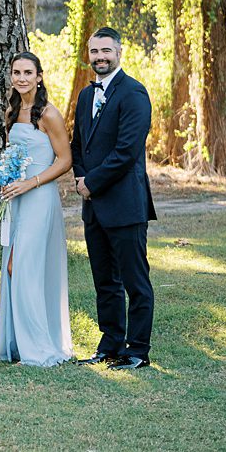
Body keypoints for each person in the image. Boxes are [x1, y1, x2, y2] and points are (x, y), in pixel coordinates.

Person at [71, 26, 156, 370]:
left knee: (135, 282)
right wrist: (79, 175)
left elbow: (126, 151)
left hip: (125, 205)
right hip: (93, 209)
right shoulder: (86, 96)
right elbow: (79, 144)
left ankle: (137, 350)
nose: (100, 58)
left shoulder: (134, 93)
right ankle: (109, 345)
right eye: (94, 52)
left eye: (106, 51)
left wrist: (92, 182)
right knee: (105, 282)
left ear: (119, 52)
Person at [0, 52, 74, 367]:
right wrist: (9, 178)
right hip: (17, 198)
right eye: (16, 72)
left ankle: (38, 347)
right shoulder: (13, 111)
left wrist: (31, 183)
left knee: (26, 266)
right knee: (12, 266)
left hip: (39, 198)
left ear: (39, 76)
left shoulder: (49, 114)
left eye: (28, 72)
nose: (22, 78)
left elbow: (64, 161)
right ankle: (17, 343)